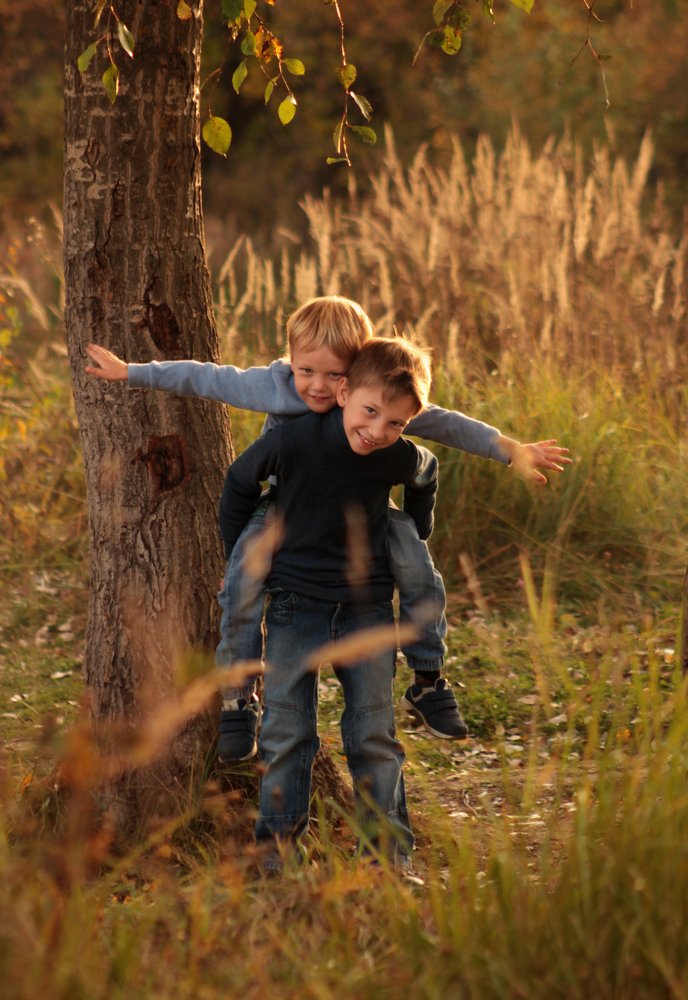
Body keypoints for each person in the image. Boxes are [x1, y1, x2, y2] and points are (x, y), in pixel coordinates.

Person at [85, 295, 569, 761]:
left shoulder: (367, 400)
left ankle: (428, 679)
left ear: (353, 376)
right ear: (290, 360)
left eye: (334, 374)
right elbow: (208, 378)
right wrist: (132, 372)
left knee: (414, 557)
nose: (317, 386)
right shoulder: (274, 385)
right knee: (242, 581)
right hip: (285, 508)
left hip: (361, 511)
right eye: (306, 370)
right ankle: (238, 698)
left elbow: (439, 423)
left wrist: (508, 448)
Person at [219, 336, 437, 872]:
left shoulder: (395, 453)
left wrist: (417, 522)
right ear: (342, 393)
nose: (378, 431)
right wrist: (241, 549)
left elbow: (426, 471)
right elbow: (239, 481)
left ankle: (386, 862)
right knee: (287, 732)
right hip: (296, 605)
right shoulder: (293, 442)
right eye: (370, 413)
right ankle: (277, 860)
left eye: (395, 424)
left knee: (373, 734)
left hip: (366, 611)